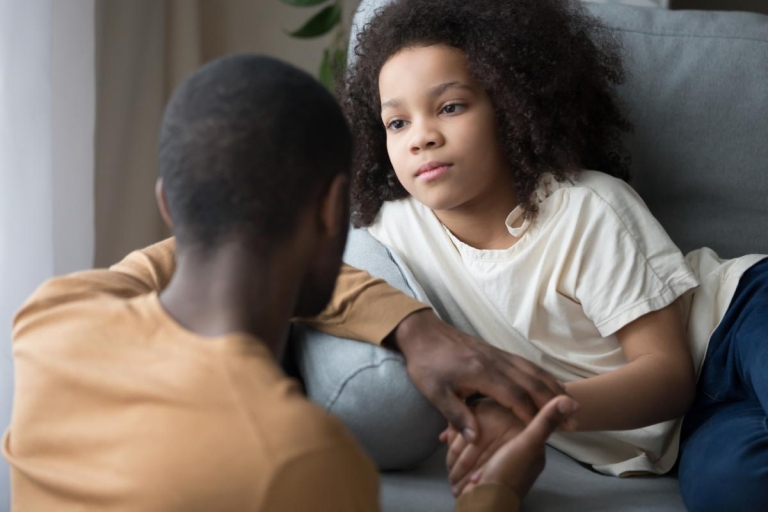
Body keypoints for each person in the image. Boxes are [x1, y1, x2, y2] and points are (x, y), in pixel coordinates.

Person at [2, 54, 578, 511]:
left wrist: (412, 326)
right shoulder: (298, 459)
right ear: (334, 210)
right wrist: (493, 494)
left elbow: (189, 253)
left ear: (168, 206)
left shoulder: (51, 316)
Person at [333, 0, 765, 510]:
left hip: (737, 323)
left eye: (450, 107)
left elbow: (668, 375)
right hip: (694, 428)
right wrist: (410, 329)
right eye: (397, 123)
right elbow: (296, 266)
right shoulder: (397, 228)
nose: (422, 137)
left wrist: (528, 408)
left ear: (511, 106)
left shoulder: (586, 209)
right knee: (732, 491)